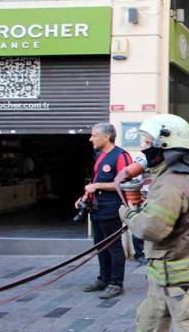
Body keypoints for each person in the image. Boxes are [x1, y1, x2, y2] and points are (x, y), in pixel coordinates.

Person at [119, 113, 189, 331]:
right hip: (166, 271)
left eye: (146, 142)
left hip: (184, 276)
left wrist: (127, 214)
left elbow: (152, 228)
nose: (143, 149)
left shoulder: (171, 182)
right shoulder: (187, 174)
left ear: (163, 144)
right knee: (150, 322)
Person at [79, 123, 132, 299]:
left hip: (112, 208)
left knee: (114, 247)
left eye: (94, 135)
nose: (90, 138)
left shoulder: (121, 156)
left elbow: (124, 184)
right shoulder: (100, 155)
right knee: (100, 245)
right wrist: (84, 197)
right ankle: (104, 278)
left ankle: (116, 283)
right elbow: (95, 181)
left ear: (106, 137)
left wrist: (97, 186)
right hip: (97, 208)